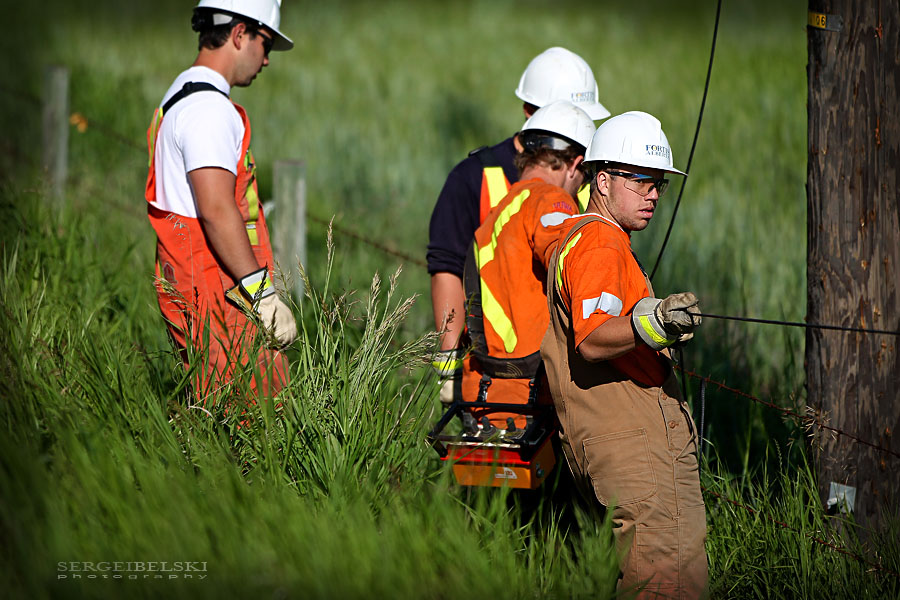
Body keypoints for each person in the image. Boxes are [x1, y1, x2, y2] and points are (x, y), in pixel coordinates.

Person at [540, 111, 707, 597]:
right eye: (641, 181)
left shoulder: (579, 235)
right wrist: (654, 322)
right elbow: (593, 337)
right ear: (604, 180)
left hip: (609, 440)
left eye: (659, 184)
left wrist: (652, 323)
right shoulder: (600, 240)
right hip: (636, 444)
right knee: (669, 581)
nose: (653, 194)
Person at [427, 47, 610, 400]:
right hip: (493, 369)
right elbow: (447, 266)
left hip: (565, 368)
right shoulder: (474, 176)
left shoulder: (588, 178)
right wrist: (448, 363)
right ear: (529, 112)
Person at [145, 0, 297, 401]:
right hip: (220, 293)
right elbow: (215, 209)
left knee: (214, 412)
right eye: (266, 43)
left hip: (198, 283)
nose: (267, 59)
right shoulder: (209, 111)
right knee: (255, 419)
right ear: (240, 33)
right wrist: (262, 296)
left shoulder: (180, 95)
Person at [462, 100, 595, 425]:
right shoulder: (552, 199)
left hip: (487, 393)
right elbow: (566, 260)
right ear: (575, 164)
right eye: (586, 176)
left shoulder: (502, 209)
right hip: (535, 399)